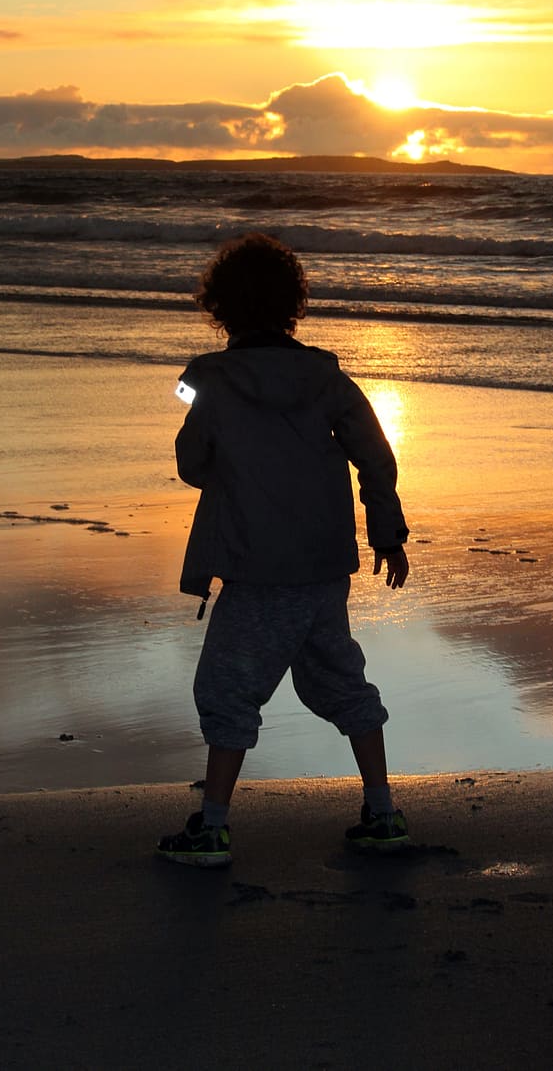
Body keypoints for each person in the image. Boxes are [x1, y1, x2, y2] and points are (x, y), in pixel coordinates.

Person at [157, 232, 410, 867]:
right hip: (324, 564)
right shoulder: (325, 375)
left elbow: (192, 465)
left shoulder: (210, 379)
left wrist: (207, 423)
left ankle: (212, 826)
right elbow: (376, 458)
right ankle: (382, 813)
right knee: (341, 682)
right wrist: (388, 533)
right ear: (293, 303)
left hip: (257, 564)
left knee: (227, 689)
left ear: (221, 307)